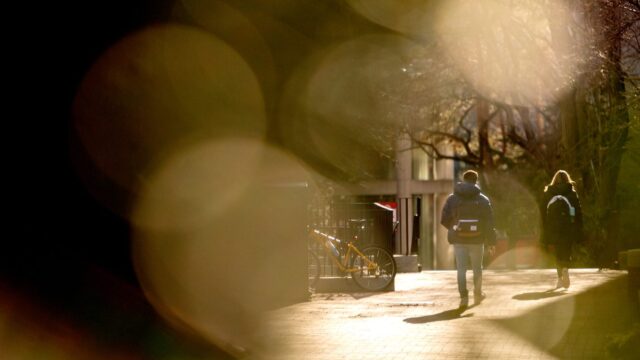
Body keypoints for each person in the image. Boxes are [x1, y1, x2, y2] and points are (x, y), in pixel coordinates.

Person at [441, 170, 496, 308]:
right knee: (477, 269)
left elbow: (444, 219)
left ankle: (463, 298)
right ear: (476, 181)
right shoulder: (483, 199)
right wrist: (491, 242)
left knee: (461, 270)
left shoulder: (452, 198)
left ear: (464, 180)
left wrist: (454, 227)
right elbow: (489, 222)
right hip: (477, 240)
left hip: (459, 239)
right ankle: (477, 294)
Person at [541, 170, 583, 289]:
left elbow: (543, 212)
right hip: (568, 227)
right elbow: (578, 212)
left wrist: (544, 229)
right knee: (567, 250)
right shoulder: (571, 192)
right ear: (567, 179)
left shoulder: (548, 193)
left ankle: (559, 278)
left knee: (557, 253)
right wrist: (578, 228)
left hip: (553, 227)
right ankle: (565, 269)